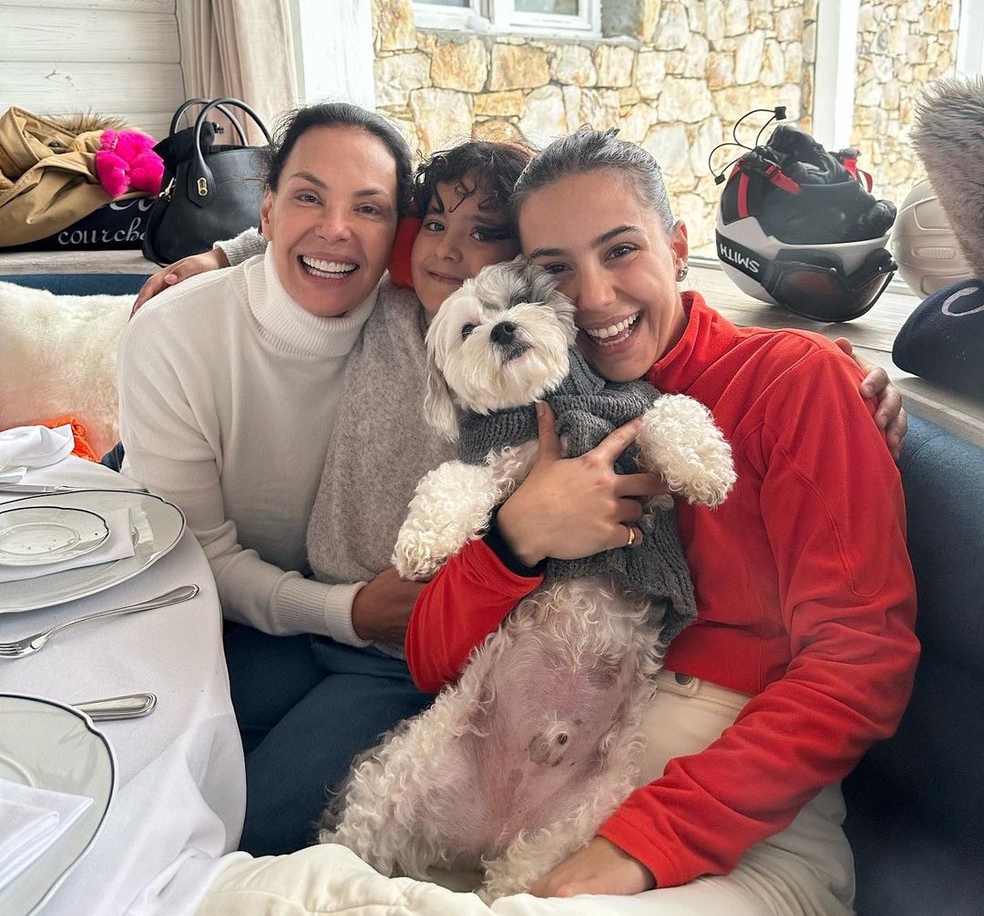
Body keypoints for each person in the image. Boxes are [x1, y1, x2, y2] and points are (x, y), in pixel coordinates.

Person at [403, 127, 919, 912]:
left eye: (620, 251)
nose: (596, 297)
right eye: (556, 271)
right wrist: (519, 538)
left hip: (738, 842)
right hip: (535, 814)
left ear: (677, 248)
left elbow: (860, 660)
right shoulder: (532, 418)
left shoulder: (794, 382)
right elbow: (430, 663)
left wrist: (644, 843)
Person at [118, 114, 532, 855]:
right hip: (278, 605)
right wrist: (225, 255)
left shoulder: (464, 319)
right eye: (306, 199)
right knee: (143, 755)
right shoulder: (182, 333)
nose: (339, 230)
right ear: (268, 207)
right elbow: (188, 559)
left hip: (394, 644)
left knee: (249, 824)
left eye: (369, 209)